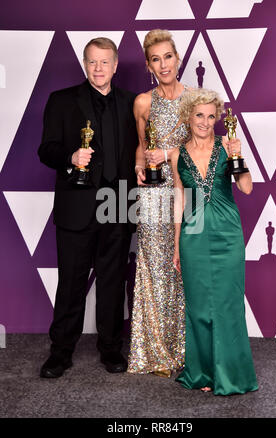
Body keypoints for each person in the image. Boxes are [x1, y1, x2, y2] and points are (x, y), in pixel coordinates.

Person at [38, 37, 138, 378]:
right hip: (77, 207)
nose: (98, 68)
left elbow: (138, 153)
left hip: (119, 206)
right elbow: (46, 149)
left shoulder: (132, 103)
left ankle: (111, 350)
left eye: (104, 61)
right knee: (71, 283)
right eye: (92, 62)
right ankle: (60, 353)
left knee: (113, 282)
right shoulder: (62, 101)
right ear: (85, 64)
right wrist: (70, 157)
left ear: (115, 64)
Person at [171, 88, 258, 395]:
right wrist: (176, 242)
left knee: (227, 304)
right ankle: (204, 372)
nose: (205, 122)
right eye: (199, 115)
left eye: (211, 116)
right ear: (188, 116)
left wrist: (238, 155)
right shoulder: (176, 153)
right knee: (198, 307)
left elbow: (246, 187)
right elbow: (180, 198)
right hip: (193, 236)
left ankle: (230, 372)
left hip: (227, 233)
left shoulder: (226, 146)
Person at [127, 29, 190, 377]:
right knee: (152, 266)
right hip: (152, 194)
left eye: (168, 56)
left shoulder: (195, 100)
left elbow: (204, 151)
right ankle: (154, 352)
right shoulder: (142, 102)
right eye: (156, 59)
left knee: (183, 266)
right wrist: (139, 166)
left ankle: (184, 348)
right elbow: (141, 145)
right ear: (149, 65)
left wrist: (167, 153)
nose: (163, 64)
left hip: (185, 192)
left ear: (177, 58)